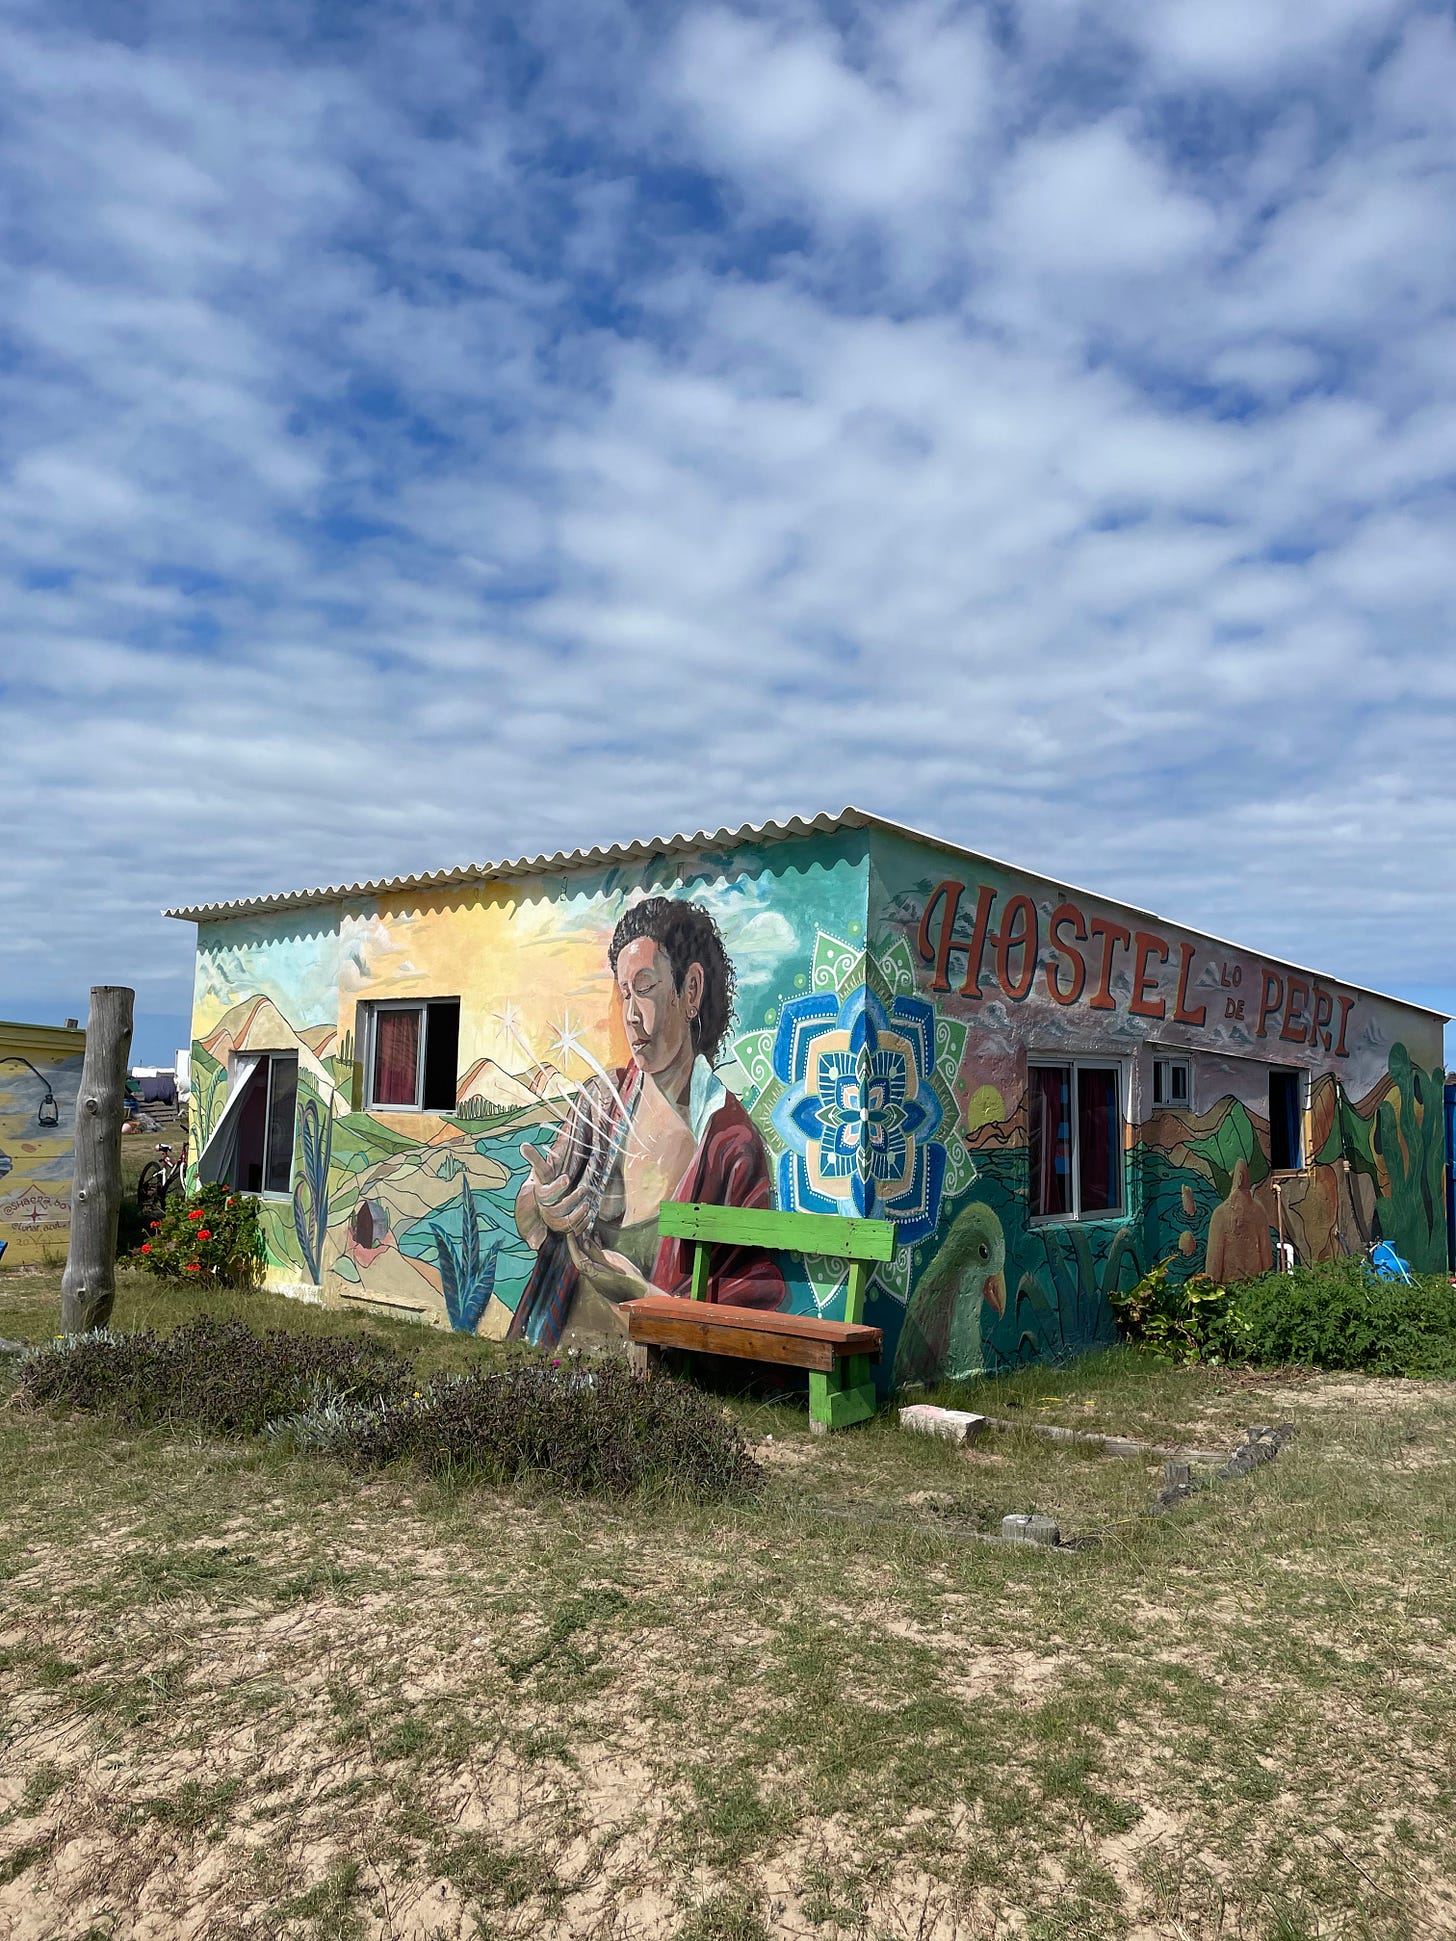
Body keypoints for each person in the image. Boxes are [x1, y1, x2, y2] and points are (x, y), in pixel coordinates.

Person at [509, 896, 785, 1347]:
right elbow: (531, 1206)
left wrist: (645, 1299)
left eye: (646, 987)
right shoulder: (603, 1101)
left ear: (690, 990)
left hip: (649, 1379)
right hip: (549, 1349)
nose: (632, 1015)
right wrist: (542, 1202)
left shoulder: (729, 1143)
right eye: (624, 993)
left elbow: (748, 1308)